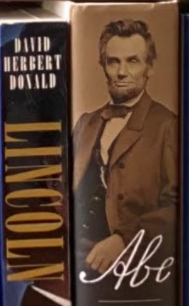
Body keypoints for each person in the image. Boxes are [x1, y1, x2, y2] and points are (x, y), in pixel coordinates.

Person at [71, 19, 178, 276]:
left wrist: (123, 239)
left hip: (132, 265)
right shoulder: (86, 122)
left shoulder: (167, 126)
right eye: (113, 61)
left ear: (149, 67)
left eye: (133, 61)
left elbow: (179, 207)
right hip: (75, 257)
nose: (121, 72)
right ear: (103, 66)